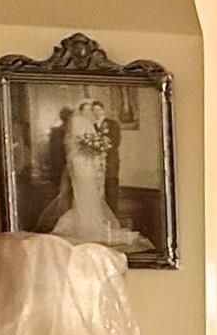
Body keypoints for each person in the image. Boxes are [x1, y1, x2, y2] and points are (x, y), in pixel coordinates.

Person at [42, 98, 152, 254]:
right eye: (86, 109)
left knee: (92, 194)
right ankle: (84, 226)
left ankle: (93, 224)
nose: (89, 112)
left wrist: (96, 150)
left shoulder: (93, 124)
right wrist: (89, 148)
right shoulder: (76, 122)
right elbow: (74, 145)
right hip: (80, 163)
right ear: (80, 110)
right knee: (82, 194)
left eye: (91, 109)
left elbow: (102, 143)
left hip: (90, 163)